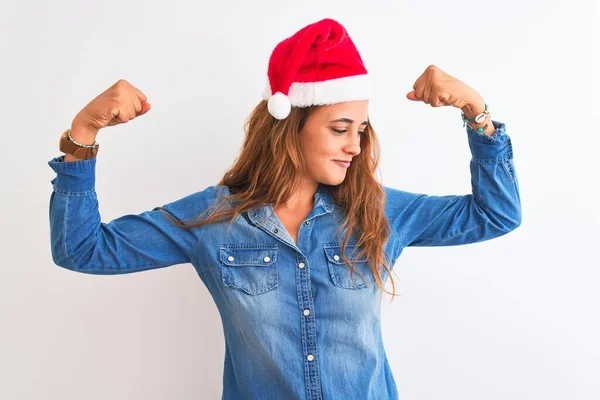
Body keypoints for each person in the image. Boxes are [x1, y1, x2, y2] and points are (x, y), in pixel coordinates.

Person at [48, 18, 521, 400]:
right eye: (340, 128)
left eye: (360, 130)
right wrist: (83, 135)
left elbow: (496, 215)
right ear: (290, 127)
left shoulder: (377, 210)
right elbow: (83, 250)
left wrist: (476, 113)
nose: (355, 146)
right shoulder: (214, 220)